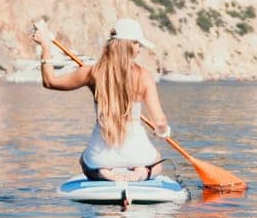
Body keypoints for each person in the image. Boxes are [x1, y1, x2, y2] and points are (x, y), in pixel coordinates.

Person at [31, 17, 172, 184]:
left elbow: (50, 82)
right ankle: (142, 172)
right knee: (157, 162)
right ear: (127, 46)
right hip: (137, 153)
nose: (139, 48)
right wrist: (162, 129)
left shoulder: (92, 73)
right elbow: (160, 121)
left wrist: (46, 46)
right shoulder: (144, 76)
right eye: (137, 44)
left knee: (85, 163)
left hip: (100, 155)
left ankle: (105, 173)